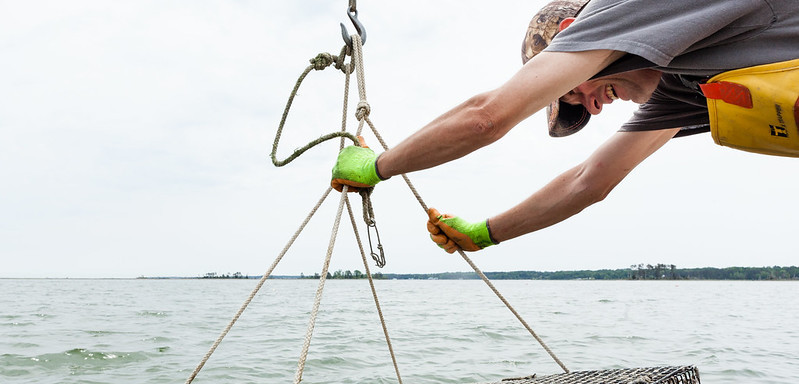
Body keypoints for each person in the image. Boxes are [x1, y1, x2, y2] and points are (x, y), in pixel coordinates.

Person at [331, 0, 799, 254]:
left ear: (575, 30)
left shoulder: (624, 7)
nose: (592, 110)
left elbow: (487, 117)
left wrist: (378, 165)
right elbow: (588, 181)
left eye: (571, 91)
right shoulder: (680, 85)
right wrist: (485, 233)